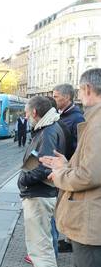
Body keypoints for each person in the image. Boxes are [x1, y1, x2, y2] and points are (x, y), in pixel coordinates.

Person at [41, 68, 101, 267]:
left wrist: (61, 174)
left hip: (92, 223)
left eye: (79, 90)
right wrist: (67, 163)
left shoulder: (98, 122)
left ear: (89, 89)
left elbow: (91, 175)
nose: (78, 96)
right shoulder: (92, 121)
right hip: (87, 221)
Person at [17, 95, 67, 267]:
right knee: (36, 242)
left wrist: (24, 180)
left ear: (35, 113)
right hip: (39, 194)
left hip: (40, 194)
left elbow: (44, 166)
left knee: (41, 243)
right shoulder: (48, 128)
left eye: (27, 114)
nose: (26, 118)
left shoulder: (48, 131)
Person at [51, 84, 86, 254]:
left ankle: (71, 241)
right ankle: (68, 239)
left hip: (69, 170)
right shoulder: (64, 115)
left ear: (67, 97)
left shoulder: (77, 118)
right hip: (63, 168)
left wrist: (68, 165)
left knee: (68, 205)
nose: (54, 99)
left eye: (56, 96)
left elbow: (79, 148)